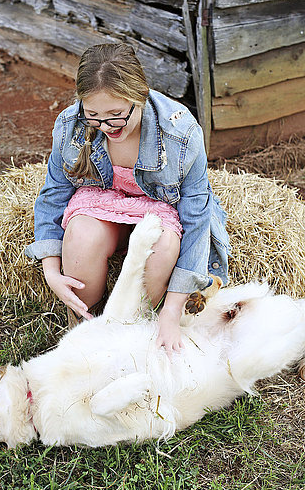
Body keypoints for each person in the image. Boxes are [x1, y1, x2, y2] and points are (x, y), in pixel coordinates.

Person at [25, 43, 230, 355]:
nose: (106, 128)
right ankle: (85, 330)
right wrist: (52, 270)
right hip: (101, 203)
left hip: (159, 210)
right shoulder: (71, 125)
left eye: (116, 116)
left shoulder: (181, 132)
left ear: (139, 97)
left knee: (161, 246)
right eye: (93, 116)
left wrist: (172, 310)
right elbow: (54, 193)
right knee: (81, 237)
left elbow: (196, 218)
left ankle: (134, 330)